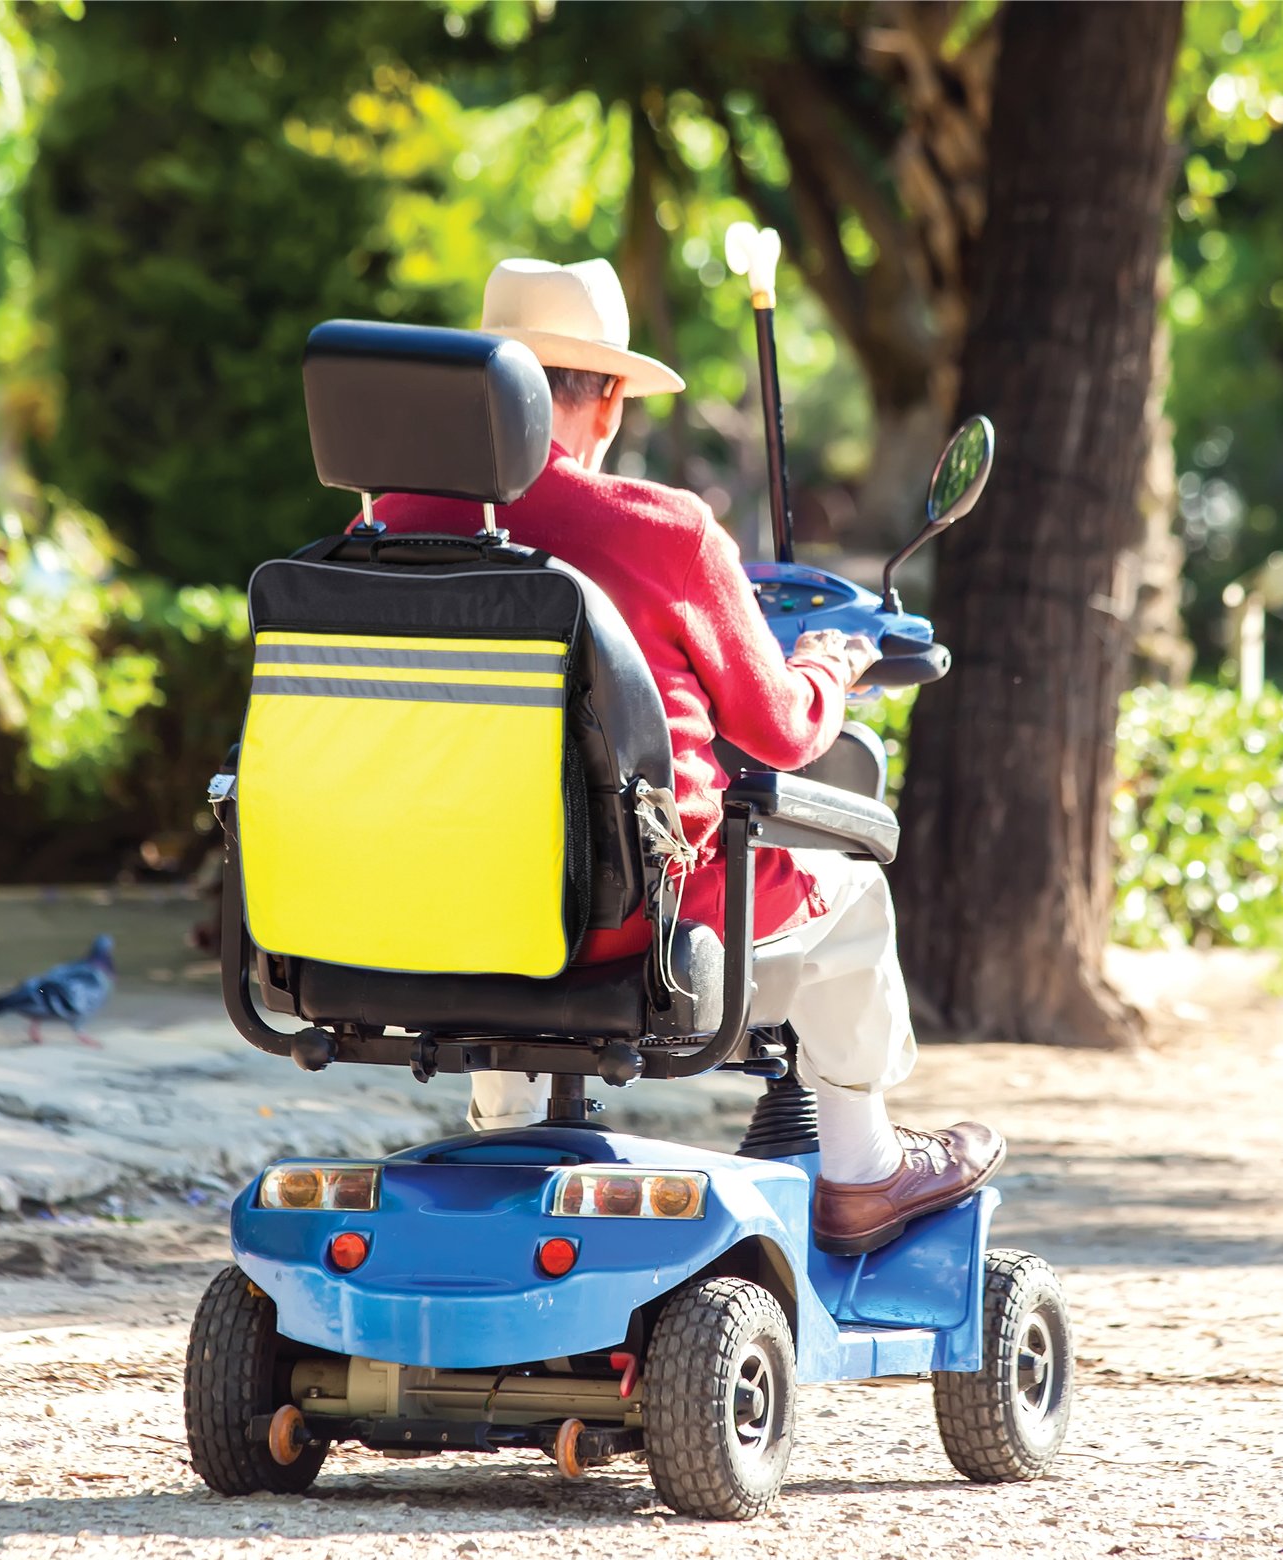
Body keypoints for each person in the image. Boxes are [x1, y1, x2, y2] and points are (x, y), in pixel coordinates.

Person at [371, 257, 1003, 1256]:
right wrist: (828, 663)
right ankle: (862, 1169)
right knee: (850, 882)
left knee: (496, 849)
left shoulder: (382, 530)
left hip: (412, 911)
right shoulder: (662, 531)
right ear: (610, 400)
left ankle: (503, 1134)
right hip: (632, 926)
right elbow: (785, 730)